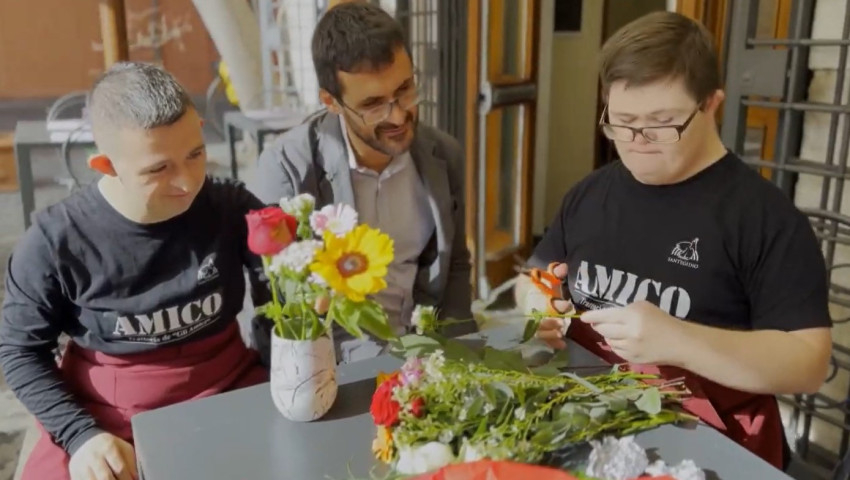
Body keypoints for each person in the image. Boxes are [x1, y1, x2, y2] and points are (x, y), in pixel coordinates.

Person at [516, 11, 832, 471]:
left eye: (661, 123)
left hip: (705, 447)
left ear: (711, 104)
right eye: (622, 122)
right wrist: (537, 305)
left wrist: (680, 341)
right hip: (589, 427)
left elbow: (808, 364)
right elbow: (534, 275)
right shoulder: (590, 194)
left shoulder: (764, 218)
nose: (637, 142)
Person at [0, 62, 270, 480]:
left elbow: (282, 288)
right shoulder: (55, 241)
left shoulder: (231, 206)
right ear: (105, 165)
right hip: (107, 414)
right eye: (159, 169)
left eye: (195, 154)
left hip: (228, 386)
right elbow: (19, 351)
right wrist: (79, 435)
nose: (188, 182)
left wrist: (282, 365)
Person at [251, 2, 473, 363]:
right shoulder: (287, 169)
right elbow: (282, 307)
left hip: (426, 352)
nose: (398, 116)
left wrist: (462, 356)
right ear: (331, 101)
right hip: (332, 364)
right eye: (373, 104)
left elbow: (456, 267)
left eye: (405, 89)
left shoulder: (444, 155)